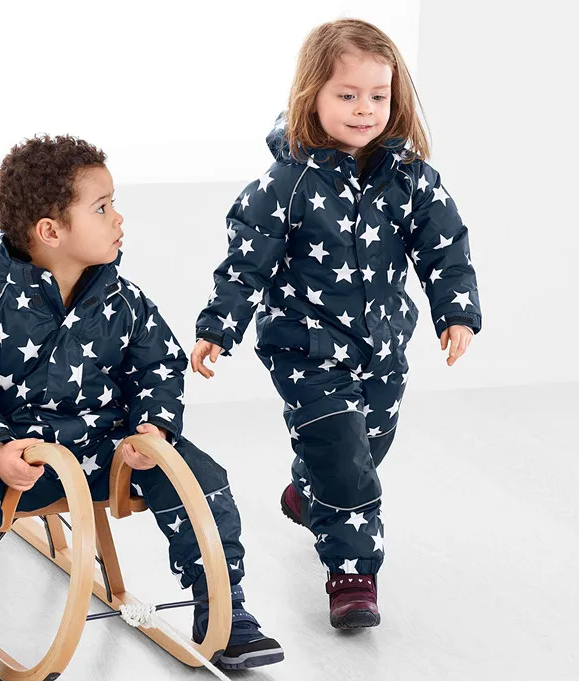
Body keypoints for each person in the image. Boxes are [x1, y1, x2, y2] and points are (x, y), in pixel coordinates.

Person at [0, 134, 284, 680]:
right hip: (20, 458)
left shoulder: (125, 302)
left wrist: (153, 429)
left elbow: (159, 367)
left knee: (200, 479)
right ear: (51, 232)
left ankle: (224, 607)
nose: (119, 218)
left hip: (111, 454)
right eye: (102, 208)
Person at [192, 18, 482, 630]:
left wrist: (456, 311)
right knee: (345, 459)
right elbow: (245, 262)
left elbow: (444, 247)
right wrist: (218, 326)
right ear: (312, 96)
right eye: (347, 95)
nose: (364, 109)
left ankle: (308, 492)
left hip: (382, 346)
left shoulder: (409, 177)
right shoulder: (286, 183)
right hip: (306, 350)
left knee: (370, 445)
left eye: (378, 96)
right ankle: (352, 575)